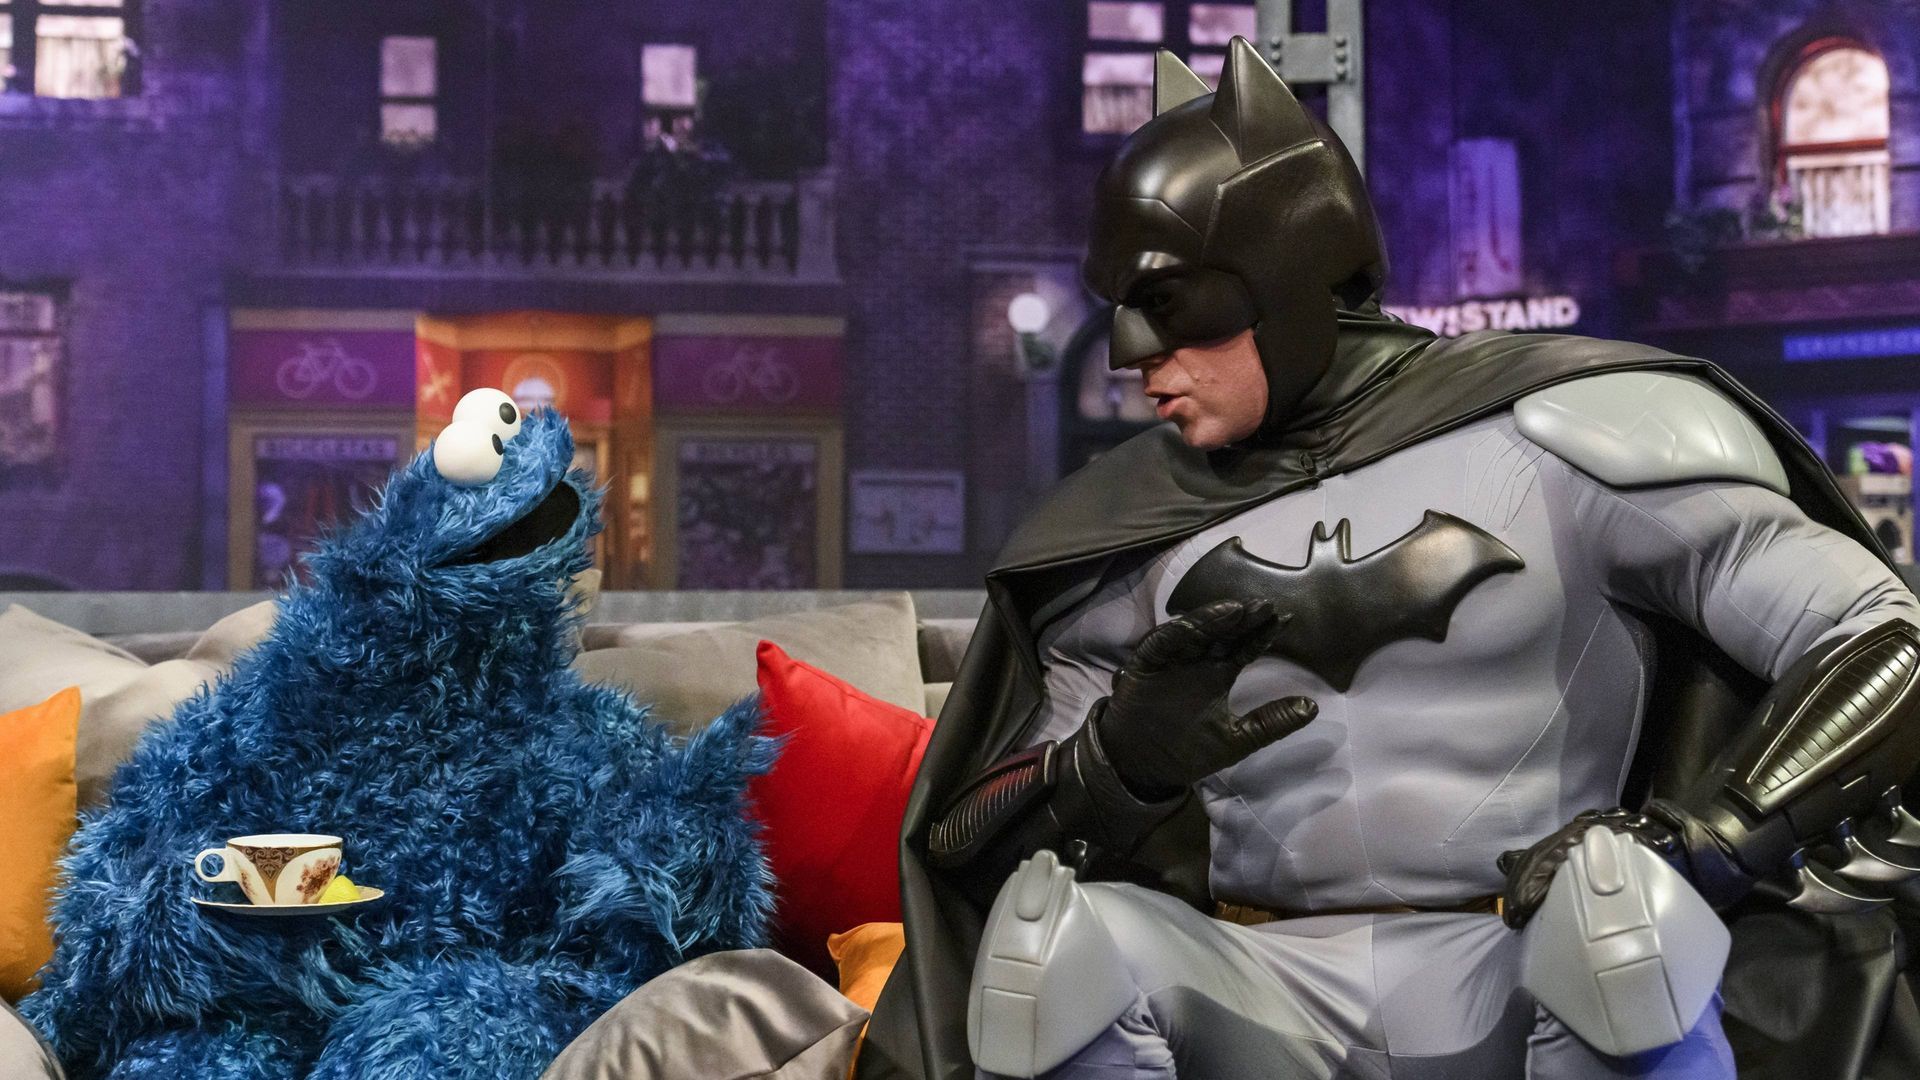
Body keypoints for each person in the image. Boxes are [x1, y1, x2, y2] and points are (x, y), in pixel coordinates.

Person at [859, 39, 1920, 1080]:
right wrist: (1109, 767)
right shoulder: (1131, 523)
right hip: (1253, 984)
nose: (1134, 353)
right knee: (1050, 949)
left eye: (1168, 302)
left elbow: (1886, 639)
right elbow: (965, 850)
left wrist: (1699, 838)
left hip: (1527, 960)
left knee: (1620, 921)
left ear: (1282, 274)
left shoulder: (1568, 439)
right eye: (1124, 310)